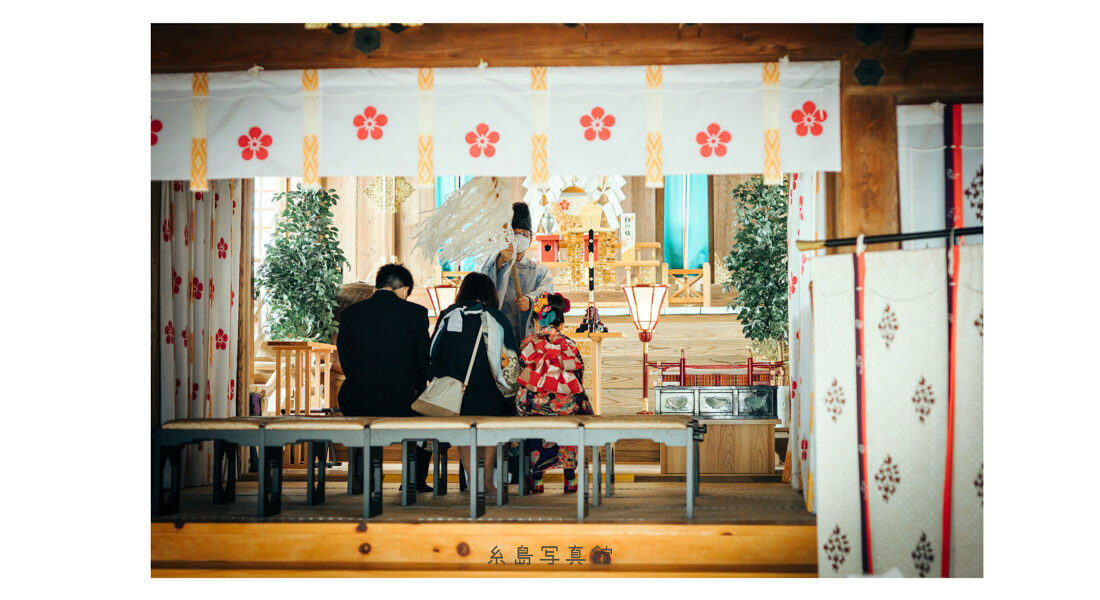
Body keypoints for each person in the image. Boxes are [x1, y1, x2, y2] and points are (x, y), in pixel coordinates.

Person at [336, 264, 433, 492]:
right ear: (404, 288)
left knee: (363, 422)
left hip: (358, 398)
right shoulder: (416, 314)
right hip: (403, 401)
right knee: (428, 415)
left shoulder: (350, 314)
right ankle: (413, 481)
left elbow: (345, 360)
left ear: (378, 286)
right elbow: (423, 362)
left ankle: (363, 479)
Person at [428, 272, 520, 494]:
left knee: (465, 433)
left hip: (457, 389)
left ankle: (473, 480)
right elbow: (510, 357)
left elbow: (433, 351)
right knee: (491, 429)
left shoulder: (450, 315)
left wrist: (439, 376)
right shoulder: (495, 317)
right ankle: (487, 479)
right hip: (490, 389)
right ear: (489, 293)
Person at [515, 292, 593, 493]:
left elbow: (523, 372)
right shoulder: (569, 345)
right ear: (561, 320)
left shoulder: (528, 344)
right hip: (564, 407)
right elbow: (578, 374)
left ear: (537, 317)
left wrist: (524, 402)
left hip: (537, 406)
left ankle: (538, 480)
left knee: (538, 436)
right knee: (568, 436)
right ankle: (570, 480)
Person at [476, 202, 554, 344]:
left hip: (528, 337)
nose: (519, 237)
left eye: (524, 234)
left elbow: (548, 295)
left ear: (530, 239)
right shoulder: (493, 262)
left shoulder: (540, 271)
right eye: (514, 233)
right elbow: (481, 282)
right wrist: (500, 261)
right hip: (497, 334)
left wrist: (531, 302)